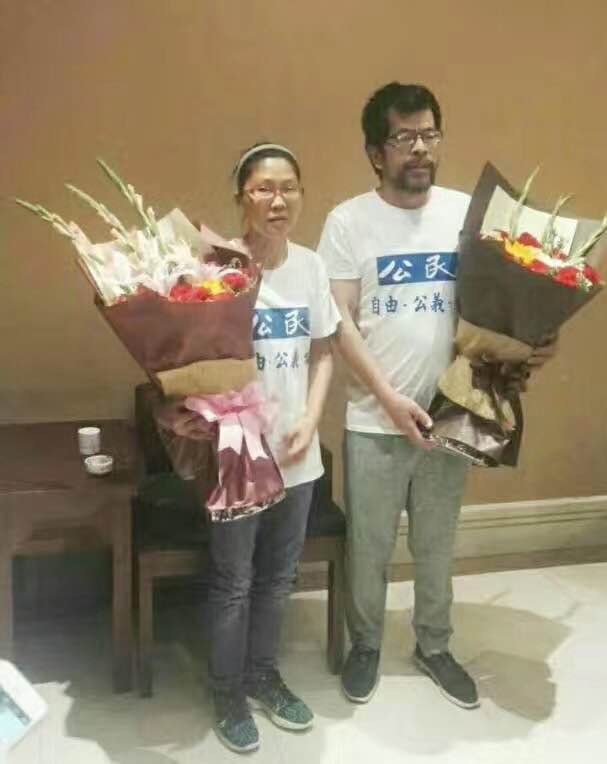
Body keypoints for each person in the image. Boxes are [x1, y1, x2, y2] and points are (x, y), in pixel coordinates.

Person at [317, 82, 554, 708]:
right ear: (376, 152)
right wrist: (388, 398)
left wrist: (532, 341)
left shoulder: (466, 213)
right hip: (376, 417)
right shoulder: (348, 222)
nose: (420, 148)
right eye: (404, 137)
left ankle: (435, 644)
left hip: (452, 413)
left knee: (436, 542)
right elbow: (339, 322)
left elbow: (500, 305)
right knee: (368, 545)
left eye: (429, 134)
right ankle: (366, 645)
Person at [162, 143, 340, 753]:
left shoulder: (311, 268)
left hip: (297, 456)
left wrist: (311, 419)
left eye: (289, 187)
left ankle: (263, 674)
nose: (278, 199)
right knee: (233, 579)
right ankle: (226, 690)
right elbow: (187, 362)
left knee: (278, 577)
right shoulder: (216, 270)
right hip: (237, 456)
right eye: (264, 188)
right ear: (241, 197)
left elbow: (323, 352)